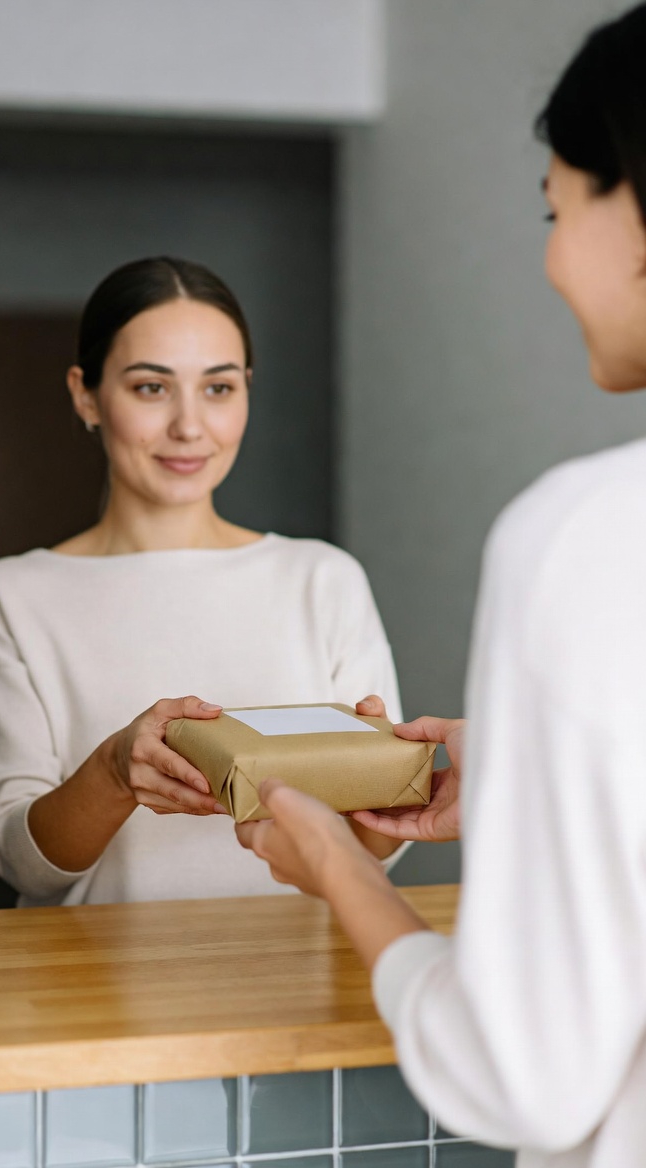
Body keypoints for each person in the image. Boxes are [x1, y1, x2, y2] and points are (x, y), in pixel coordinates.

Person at [236, 5, 646, 1166]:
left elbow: (525, 1080)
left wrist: (330, 865)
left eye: (556, 206)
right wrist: (523, 765)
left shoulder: (581, 536)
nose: (551, 255)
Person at [0, 255, 406, 907]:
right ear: (86, 394)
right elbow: (24, 865)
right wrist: (113, 771)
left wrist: (385, 793)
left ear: (247, 389)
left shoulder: (323, 580)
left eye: (218, 388)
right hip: (95, 996)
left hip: (299, 987)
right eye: (150, 388)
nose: (190, 426)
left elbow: (369, 861)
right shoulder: (10, 598)